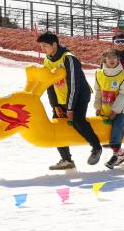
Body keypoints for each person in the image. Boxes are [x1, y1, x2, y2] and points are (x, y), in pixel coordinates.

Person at [37, 32, 102, 170]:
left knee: (78, 120)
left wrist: (71, 108)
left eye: (45, 46)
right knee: (57, 126)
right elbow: (49, 85)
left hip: (79, 96)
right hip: (61, 98)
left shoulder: (69, 59)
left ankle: (96, 147)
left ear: (54, 44)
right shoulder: (47, 60)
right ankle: (67, 160)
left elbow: (74, 85)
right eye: (41, 46)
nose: (43, 49)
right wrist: (55, 105)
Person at [94, 50, 124, 169]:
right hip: (105, 108)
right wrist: (98, 107)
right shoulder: (99, 74)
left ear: (118, 60)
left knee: (117, 127)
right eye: (109, 57)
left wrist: (115, 111)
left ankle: (116, 154)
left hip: (120, 109)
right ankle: (122, 154)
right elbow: (98, 92)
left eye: (114, 57)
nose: (111, 60)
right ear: (104, 60)